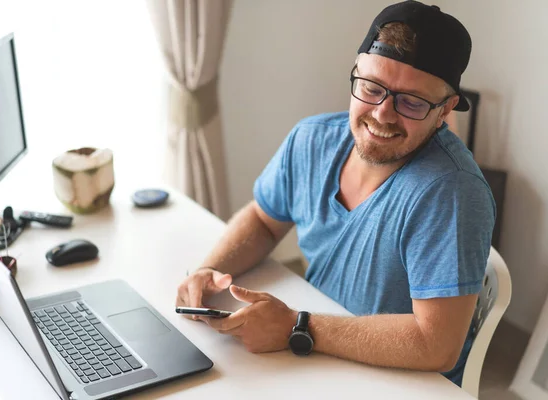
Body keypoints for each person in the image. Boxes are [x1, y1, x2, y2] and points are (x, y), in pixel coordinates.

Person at [175, 0, 495, 387]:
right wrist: (211, 269)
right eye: (371, 87)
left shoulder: (452, 193)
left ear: (446, 110)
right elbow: (263, 220)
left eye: (411, 102)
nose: (382, 114)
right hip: (318, 352)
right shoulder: (311, 141)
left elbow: (435, 344)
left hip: (404, 383)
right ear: (356, 74)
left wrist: (296, 326)